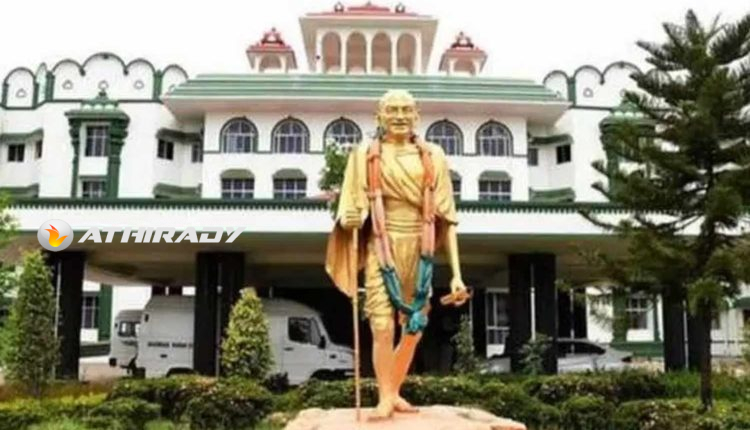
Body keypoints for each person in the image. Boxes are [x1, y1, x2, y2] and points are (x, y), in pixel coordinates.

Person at [326, 89, 469, 420]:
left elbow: (448, 219)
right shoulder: (364, 155)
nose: (400, 116)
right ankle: (385, 397)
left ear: (416, 115)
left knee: (415, 326)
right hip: (381, 245)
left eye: (406, 110)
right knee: (381, 325)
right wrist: (349, 218)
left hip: (421, 248)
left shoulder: (433, 156)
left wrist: (457, 274)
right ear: (380, 116)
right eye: (392, 110)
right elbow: (350, 208)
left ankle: (392, 390)